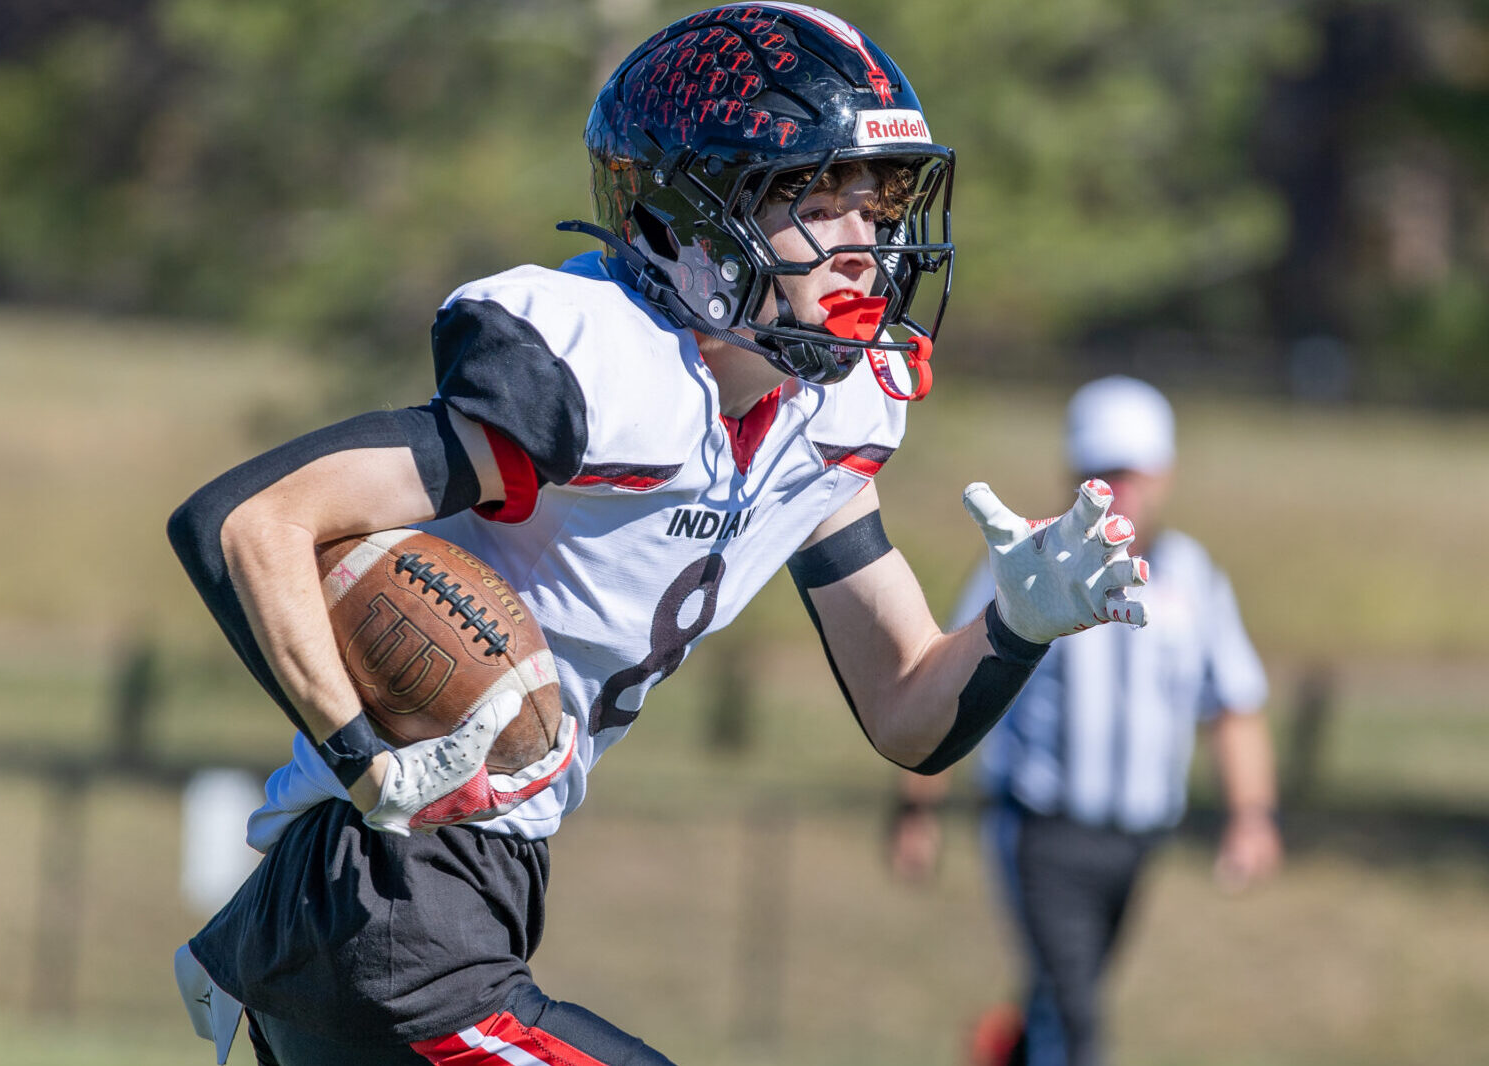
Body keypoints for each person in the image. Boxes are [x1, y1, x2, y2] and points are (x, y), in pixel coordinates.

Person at [166, 8, 1153, 1065]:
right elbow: (247, 519)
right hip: (383, 901)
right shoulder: (594, 380)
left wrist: (1016, 625)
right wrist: (364, 759)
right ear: (682, 226)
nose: (863, 247)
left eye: (876, 207)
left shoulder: (824, 421)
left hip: (466, 899)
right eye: (818, 204)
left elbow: (908, 707)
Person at [889, 376, 1282, 1066]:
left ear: (1163, 475)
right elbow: (946, 686)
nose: (1120, 489)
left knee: (1061, 1001)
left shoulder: (1195, 578)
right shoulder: (1029, 570)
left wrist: (1252, 816)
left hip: (1137, 840)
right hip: (1042, 831)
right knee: (1076, 1020)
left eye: (1132, 472)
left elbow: (1233, 703)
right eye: (1103, 472)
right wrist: (917, 811)